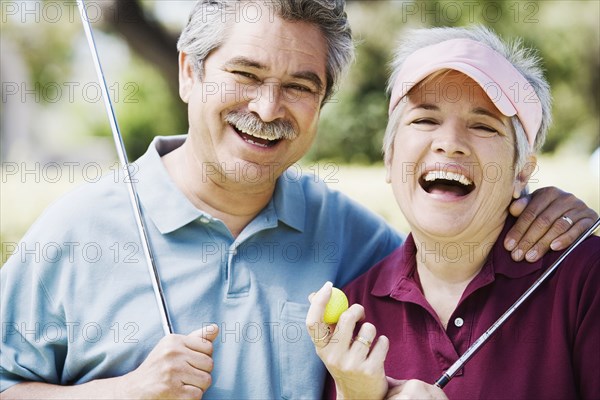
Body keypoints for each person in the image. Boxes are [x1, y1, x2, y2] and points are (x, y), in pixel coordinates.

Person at [1, 2, 596, 398]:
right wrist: (117, 392)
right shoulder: (77, 232)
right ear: (187, 71)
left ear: (322, 105)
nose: (266, 108)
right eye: (245, 74)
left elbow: (451, 246)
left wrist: (543, 207)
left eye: (298, 86)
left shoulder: (358, 245)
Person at [307, 25, 599, 400]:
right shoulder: (353, 314)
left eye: (482, 125)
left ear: (521, 172)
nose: (449, 144)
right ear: (391, 156)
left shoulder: (586, 281)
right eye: (425, 120)